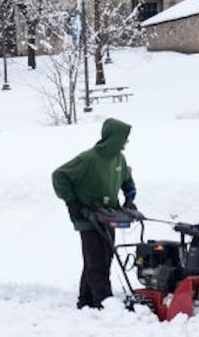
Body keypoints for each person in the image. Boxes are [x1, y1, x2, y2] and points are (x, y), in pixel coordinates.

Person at [52, 118, 138, 309]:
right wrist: (72, 202)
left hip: (109, 216)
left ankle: (86, 300)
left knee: (100, 258)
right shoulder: (88, 159)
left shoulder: (119, 158)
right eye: (125, 138)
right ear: (114, 138)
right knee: (96, 260)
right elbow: (59, 175)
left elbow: (127, 179)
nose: (127, 142)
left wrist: (130, 197)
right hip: (88, 217)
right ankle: (103, 302)